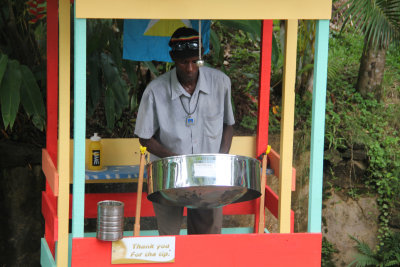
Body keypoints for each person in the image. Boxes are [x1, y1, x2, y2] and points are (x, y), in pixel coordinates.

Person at [134, 27, 235, 235]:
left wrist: (220, 162)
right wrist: (176, 161)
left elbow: (228, 125)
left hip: (209, 176)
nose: (190, 68)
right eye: (183, 62)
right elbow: (144, 138)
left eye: (194, 62)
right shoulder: (155, 91)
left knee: (207, 241)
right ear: (172, 58)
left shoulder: (221, 84)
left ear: (202, 58)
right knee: (168, 240)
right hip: (169, 173)